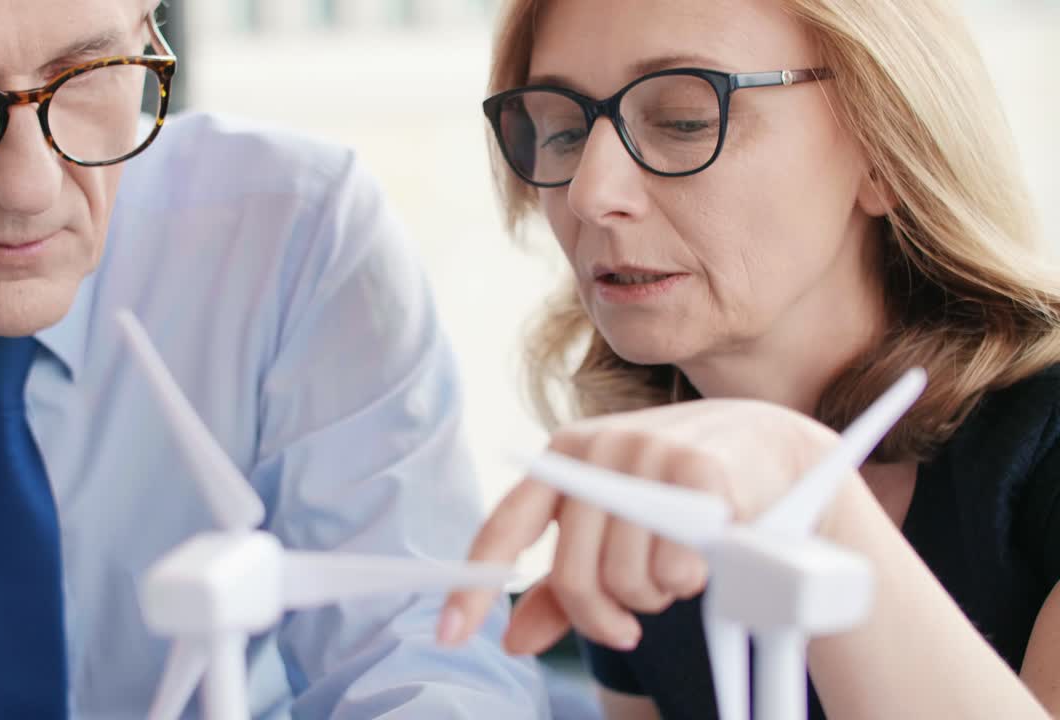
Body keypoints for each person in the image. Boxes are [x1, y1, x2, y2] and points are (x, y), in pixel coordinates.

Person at [0, 0, 550, 718]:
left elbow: (430, 648)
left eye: (87, 74)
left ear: (149, 45)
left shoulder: (295, 239)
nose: (25, 187)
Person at [438, 0, 1060, 718]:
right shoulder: (640, 499)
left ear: (887, 151)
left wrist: (810, 491)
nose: (590, 193)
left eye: (684, 119)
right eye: (564, 129)